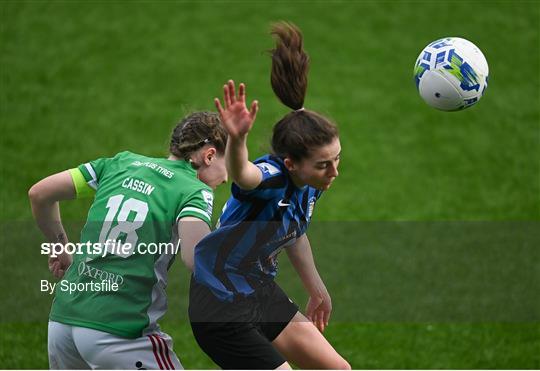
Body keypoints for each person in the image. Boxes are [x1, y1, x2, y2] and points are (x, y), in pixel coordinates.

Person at [188, 22, 351, 370]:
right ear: (291, 163)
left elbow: (293, 231)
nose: (334, 172)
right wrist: (237, 139)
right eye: (324, 165)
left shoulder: (310, 184)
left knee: (338, 369)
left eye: (337, 159)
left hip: (257, 289)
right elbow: (246, 175)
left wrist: (316, 288)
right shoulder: (271, 179)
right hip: (220, 305)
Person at [28, 111, 228, 369]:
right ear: (210, 155)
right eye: (229, 164)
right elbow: (196, 258)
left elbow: (39, 194)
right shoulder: (194, 190)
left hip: (62, 323)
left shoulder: (119, 162)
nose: (226, 179)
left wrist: (61, 245)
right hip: (118, 332)